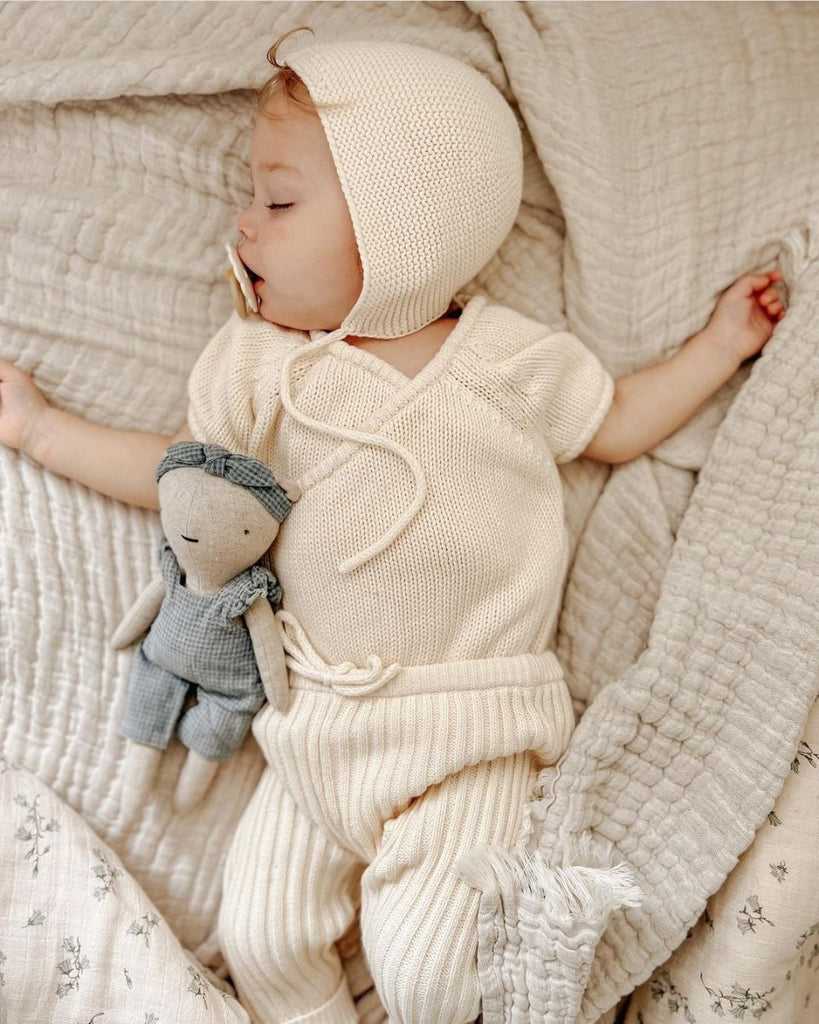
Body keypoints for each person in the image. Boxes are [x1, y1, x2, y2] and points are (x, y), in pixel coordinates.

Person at [0, 31, 785, 1024]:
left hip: (469, 731)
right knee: (262, 939)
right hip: (315, 730)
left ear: (401, 226)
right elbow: (186, 481)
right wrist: (44, 431)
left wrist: (721, 344)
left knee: (427, 975)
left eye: (279, 201)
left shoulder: (504, 360)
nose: (243, 224)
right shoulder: (263, 367)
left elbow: (619, 423)